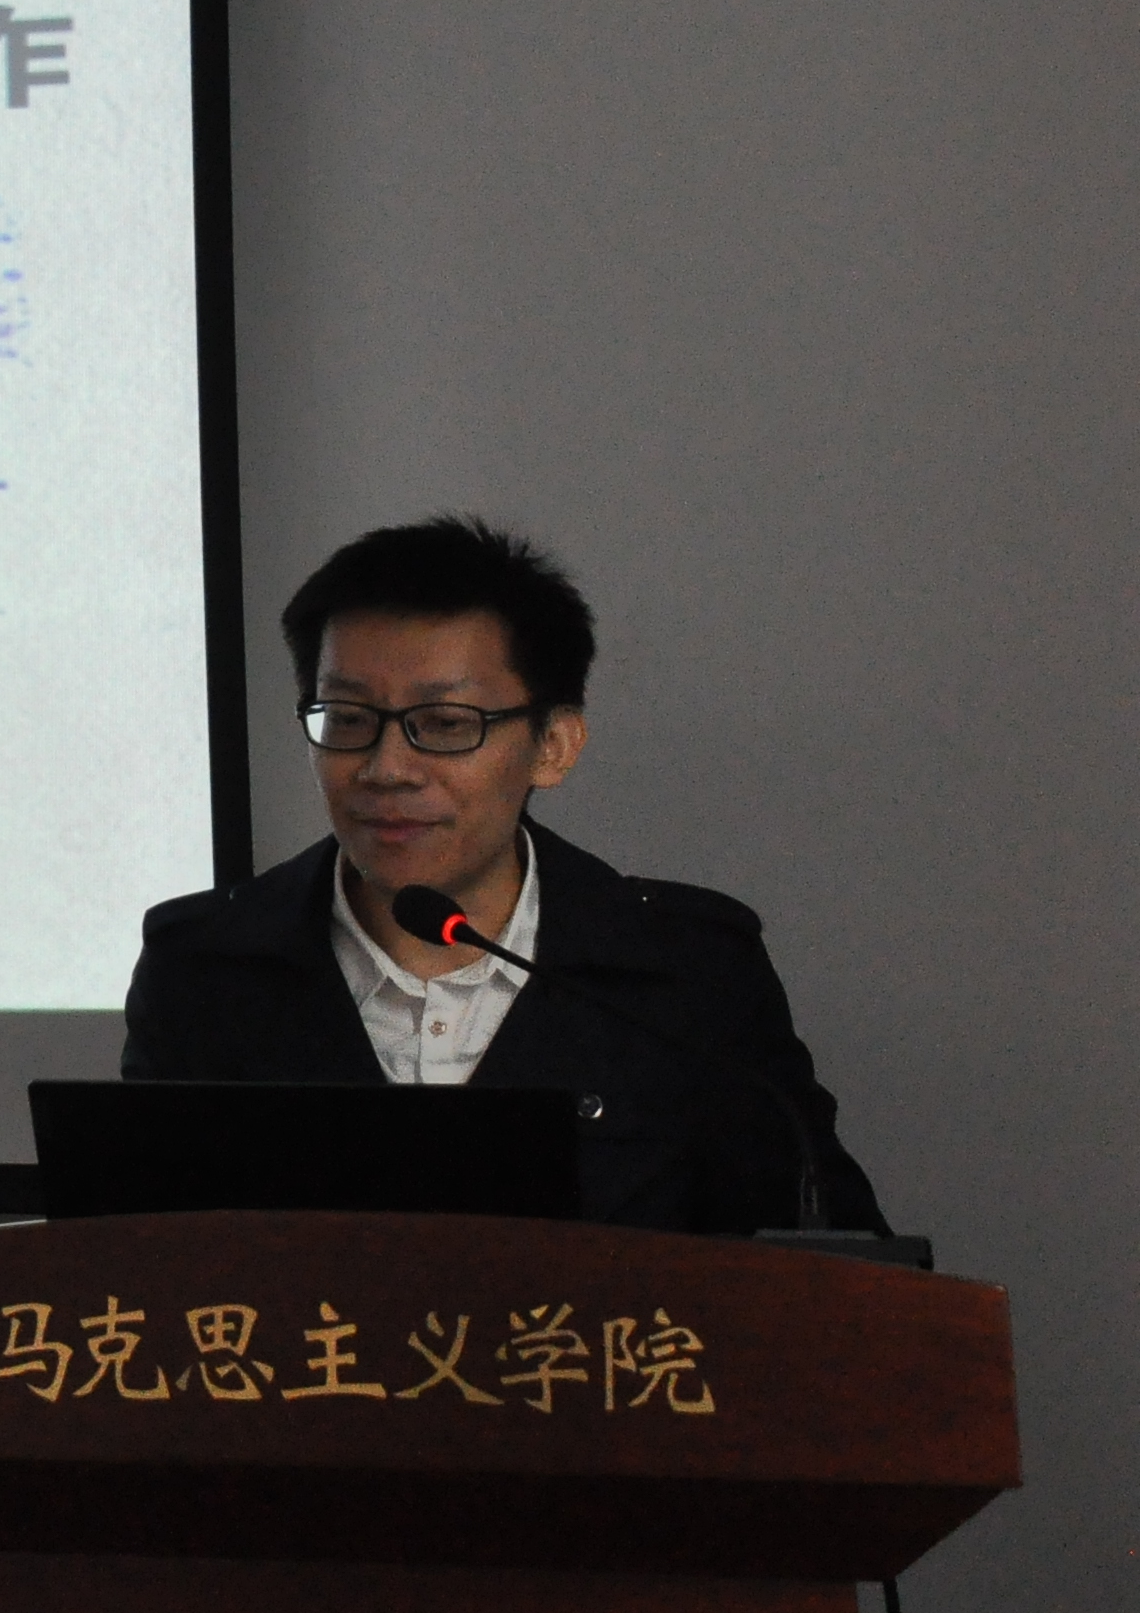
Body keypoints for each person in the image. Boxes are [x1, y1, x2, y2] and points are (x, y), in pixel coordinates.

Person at [120, 515, 883, 1235]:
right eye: (348, 720)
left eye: (445, 725)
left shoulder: (684, 973)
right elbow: (138, 1273)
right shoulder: (206, 967)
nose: (387, 769)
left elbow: (829, 1272)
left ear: (554, 745)